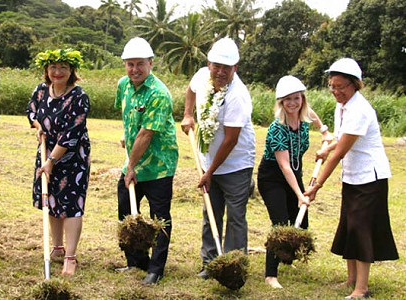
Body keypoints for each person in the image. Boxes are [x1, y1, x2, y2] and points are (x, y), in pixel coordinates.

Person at [305, 58, 398, 299]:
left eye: (341, 87)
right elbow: (340, 138)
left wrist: (316, 185)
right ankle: (351, 280)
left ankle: (362, 289)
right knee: (349, 225)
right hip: (353, 176)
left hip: (370, 178)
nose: (336, 91)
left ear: (355, 85)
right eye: (332, 86)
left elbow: (340, 154)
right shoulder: (342, 106)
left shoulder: (359, 109)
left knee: (360, 228)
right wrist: (327, 148)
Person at [181, 37, 256, 279]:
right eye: (216, 66)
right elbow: (190, 90)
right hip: (208, 161)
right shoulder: (202, 76)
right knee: (210, 213)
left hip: (236, 164)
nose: (220, 72)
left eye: (227, 67)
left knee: (235, 216)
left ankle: (233, 266)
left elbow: (230, 140)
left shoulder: (238, 96)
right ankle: (210, 263)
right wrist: (188, 115)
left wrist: (209, 172)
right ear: (209, 63)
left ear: (236, 68)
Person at [114, 37, 178, 285]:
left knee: (159, 217)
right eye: (130, 64)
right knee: (126, 210)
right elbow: (129, 118)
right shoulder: (123, 85)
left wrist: (130, 166)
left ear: (151, 63)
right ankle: (136, 260)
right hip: (134, 159)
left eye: (140, 64)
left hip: (159, 164)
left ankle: (156, 268)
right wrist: (125, 135)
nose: (135, 69)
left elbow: (146, 133)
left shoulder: (159, 93)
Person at [257, 75, 331, 289]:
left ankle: (286, 258)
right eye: (287, 99)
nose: (292, 103)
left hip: (295, 172)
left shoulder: (304, 117)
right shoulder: (276, 128)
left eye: (296, 98)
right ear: (281, 102)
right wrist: (300, 195)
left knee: (302, 223)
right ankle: (270, 275)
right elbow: (284, 166)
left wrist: (325, 133)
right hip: (272, 177)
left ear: (302, 99)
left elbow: (313, 116)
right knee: (281, 224)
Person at [27, 48, 90, 277]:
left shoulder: (79, 96)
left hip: (72, 156)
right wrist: (38, 128)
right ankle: (57, 248)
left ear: (72, 70)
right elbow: (32, 113)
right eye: (53, 67)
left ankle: (70, 257)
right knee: (51, 200)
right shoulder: (41, 91)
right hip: (46, 153)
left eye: (63, 67)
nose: (57, 72)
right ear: (46, 69)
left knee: (72, 204)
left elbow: (73, 132)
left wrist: (52, 160)